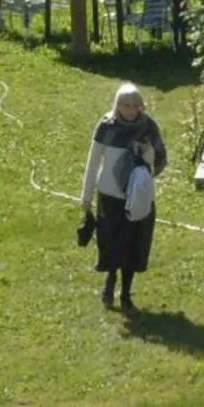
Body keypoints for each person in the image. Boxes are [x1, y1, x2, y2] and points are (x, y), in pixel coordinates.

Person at [81, 82, 168, 310]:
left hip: (137, 197)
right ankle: (110, 280)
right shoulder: (106, 127)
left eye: (135, 105)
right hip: (110, 195)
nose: (130, 110)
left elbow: (159, 160)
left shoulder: (149, 128)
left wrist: (146, 159)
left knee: (134, 244)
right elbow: (92, 164)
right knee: (110, 242)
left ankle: (126, 294)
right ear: (117, 105)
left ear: (141, 106)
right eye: (125, 105)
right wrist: (86, 198)